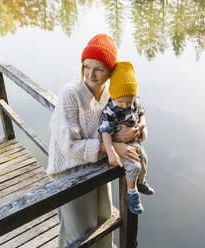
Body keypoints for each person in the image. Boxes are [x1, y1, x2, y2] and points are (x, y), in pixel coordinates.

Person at [46, 34, 143, 248]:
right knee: (77, 233)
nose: (90, 74)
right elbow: (69, 146)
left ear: (110, 72)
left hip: (98, 164)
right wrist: (111, 147)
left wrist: (137, 129)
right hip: (71, 171)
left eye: (98, 69)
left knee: (103, 222)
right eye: (86, 66)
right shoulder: (70, 94)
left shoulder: (111, 92)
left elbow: (129, 114)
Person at [98, 61, 154, 215]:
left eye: (128, 101)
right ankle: (132, 193)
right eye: (120, 101)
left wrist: (141, 125)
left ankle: (141, 182)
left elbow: (142, 114)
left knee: (144, 160)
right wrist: (110, 151)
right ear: (114, 95)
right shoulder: (110, 110)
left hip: (134, 142)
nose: (124, 105)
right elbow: (105, 132)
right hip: (120, 147)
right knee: (134, 166)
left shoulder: (133, 103)